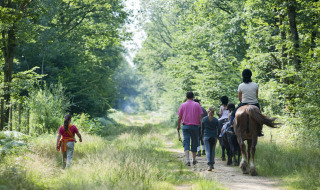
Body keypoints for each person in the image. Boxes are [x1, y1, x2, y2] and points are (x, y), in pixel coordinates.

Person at [228, 69, 263, 136]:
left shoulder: (241, 86)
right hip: (254, 103)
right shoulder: (255, 85)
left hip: (244, 103)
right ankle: (260, 130)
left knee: (233, 114)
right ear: (250, 76)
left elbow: (240, 98)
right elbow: (256, 96)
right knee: (260, 117)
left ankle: (231, 127)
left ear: (243, 76)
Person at [177, 92, 203, 166]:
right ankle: (194, 159)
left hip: (185, 127)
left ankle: (187, 159)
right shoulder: (197, 105)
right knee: (194, 142)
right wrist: (201, 126)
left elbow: (179, 117)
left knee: (186, 142)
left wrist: (178, 126)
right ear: (193, 96)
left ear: (186, 97)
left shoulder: (182, 105)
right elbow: (200, 117)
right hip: (195, 127)